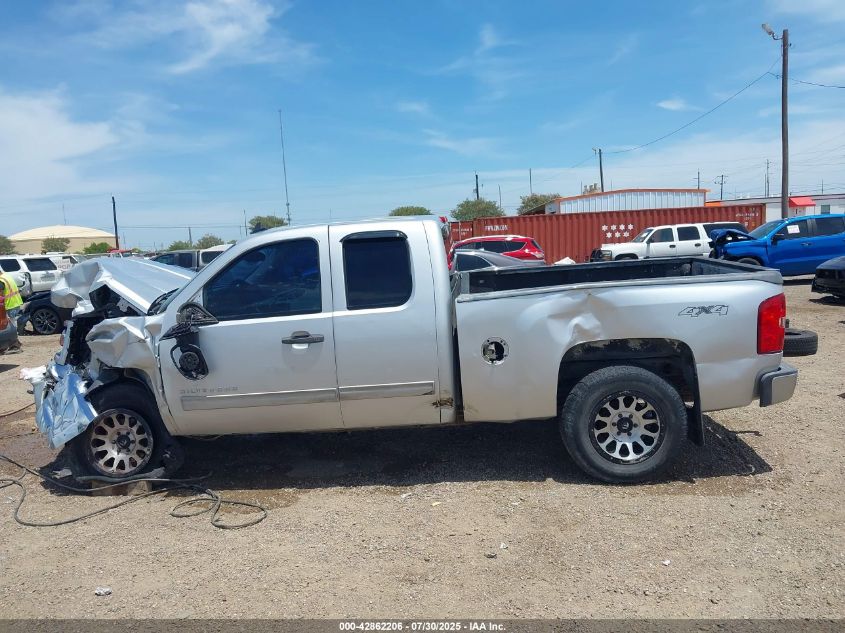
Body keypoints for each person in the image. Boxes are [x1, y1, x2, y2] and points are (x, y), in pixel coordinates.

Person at [0, 271, 23, 352]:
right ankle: (15, 344)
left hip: (10, 304)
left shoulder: (1, 280)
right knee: (12, 324)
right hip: (15, 302)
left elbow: (0, 294)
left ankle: (15, 345)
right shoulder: (6, 276)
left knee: (11, 326)